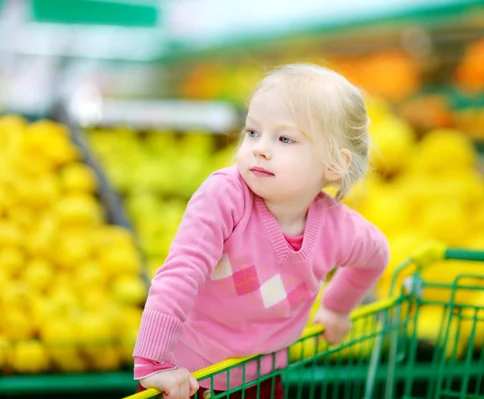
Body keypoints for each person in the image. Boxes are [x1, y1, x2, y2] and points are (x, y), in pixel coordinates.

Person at [132, 63, 390, 399]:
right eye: (252, 132)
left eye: (284, 138)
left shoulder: (338, 227)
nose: (260, 148)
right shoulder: (224, 196)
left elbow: (376, 254)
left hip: (262, 379)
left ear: (334, 164)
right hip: (188, 377)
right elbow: (181, 272)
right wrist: (155, 363)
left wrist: (337, 307)